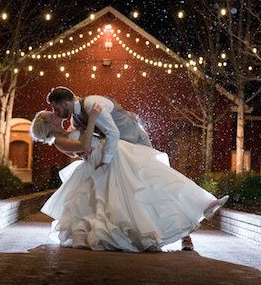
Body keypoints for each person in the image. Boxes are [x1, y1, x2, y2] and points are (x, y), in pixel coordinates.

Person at [30, 105, 228, 253]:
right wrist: (92, 120)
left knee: (155, 177)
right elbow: (84, 144)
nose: (54, 113)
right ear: (48, 124)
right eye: (50, 115)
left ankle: (203, 203)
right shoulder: (59, 141)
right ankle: (185, 226)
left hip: (114, 153)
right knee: (141, 192)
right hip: (107, 162)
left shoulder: (70, 128)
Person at [47, 86, 199, 250]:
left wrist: (105, 162)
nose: (55, 112)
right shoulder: (76, 119)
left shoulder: (91, 104)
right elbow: (83, 142)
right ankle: (131, 233)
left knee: (153, 186)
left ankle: (185, 235)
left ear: (64, 103)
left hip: (135, 142)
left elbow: (113, 133)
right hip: (118, 152)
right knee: (125, 194)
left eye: (56, 108)